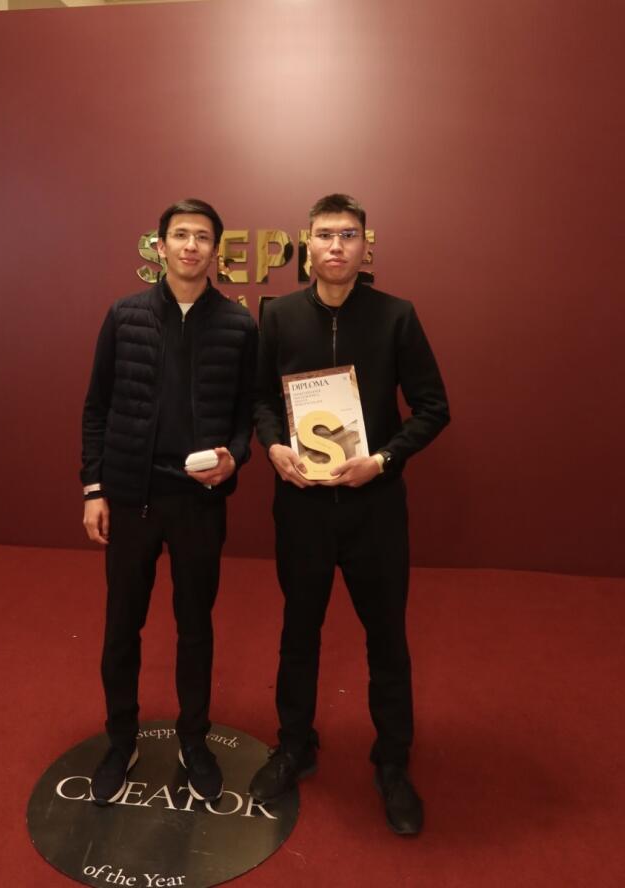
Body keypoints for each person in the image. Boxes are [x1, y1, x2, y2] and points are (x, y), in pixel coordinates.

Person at [249, 193, 449, 835]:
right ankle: (294, 745)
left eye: (349, 234)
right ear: (306, 244)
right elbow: (259, 400)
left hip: (374, 508)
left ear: (366, 245)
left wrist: (383, 460)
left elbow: (433, 408)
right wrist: (273, 446)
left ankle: (392, 762)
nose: (336, 245)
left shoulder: (397, 316)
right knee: (298, 631)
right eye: (325, 234)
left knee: (386, 637)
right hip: (302, 508)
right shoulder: (278, 315)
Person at [80, 198, 257, 807]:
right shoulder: (124, 315)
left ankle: (194, 740)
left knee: (195, 626)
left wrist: (236, 457)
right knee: (121, 627)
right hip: (131, 498)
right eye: (180, 235)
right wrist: (94, 489)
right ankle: (120, 739)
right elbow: (96, 408)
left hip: (198, 502)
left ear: (216, 250)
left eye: (202, 237)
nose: (190, 246)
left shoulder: (238, 326)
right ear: (159, 246)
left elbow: (246, 416)